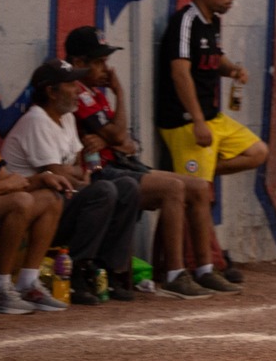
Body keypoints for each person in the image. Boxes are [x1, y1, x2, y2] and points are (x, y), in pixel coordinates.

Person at [66, 26, 229, 297]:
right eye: (98, 62)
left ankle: (205, 269)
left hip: (120, 164)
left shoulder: (95, 93)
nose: (106, 69)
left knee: (199, 187)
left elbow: (126, 142)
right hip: (100, 173)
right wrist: (120, 95)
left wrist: (113, 139)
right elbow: (118, 136)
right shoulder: (76, 95)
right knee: (173, 188)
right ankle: (174, 273)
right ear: (78, 62)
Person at [156, 0, 270, 262]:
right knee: (199, 194)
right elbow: (180, 73)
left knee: (258, 152)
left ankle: (196, 172)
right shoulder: (185, 21)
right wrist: (197, 121)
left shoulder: (213, 22)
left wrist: (232, 70)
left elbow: (213, 57)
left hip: (212, 117)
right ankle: (205, 262)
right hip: (184, 121)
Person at [3, 59, 144, 304]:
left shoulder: (66, 117)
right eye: (70, 84)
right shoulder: (37, 120)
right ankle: (76, 272)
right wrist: (78, 174)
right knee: (104, 190)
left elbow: (81, 164)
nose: (78, 89)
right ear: (51, 91)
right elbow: (58, 174)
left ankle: (109, 271)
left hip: (63, 200)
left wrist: (78, 174)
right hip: (35, 214)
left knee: (128, 187)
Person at [0, 64, 69, 314]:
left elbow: (9, 179)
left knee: (50, 198)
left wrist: (42, 178)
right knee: (20, 201)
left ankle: (28, 283)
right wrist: (7, 185)